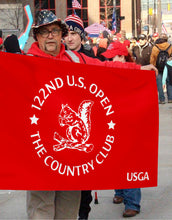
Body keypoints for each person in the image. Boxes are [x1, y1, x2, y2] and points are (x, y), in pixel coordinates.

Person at [26, 10, 157, 220]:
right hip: (41, 152)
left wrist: (137, 70)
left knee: (69, 209)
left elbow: (107, 69)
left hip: (71, 157)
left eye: (54, 31)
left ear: (61, 34)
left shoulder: (75, 59)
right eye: (44, 32)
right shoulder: (24, 63)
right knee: (41, 209)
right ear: (37, 37)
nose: (50, 36)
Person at [101, 41, 142, 218]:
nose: (111, 62)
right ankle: (120, 191)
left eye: (114, 57)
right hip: (112, 122)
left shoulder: (134, 74)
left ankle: (132, 202)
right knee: (115, 159)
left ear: (123, 57)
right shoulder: (110, 73)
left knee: (130, 161)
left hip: (129, 122)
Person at [64, 14, 94, 220]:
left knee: (84, 183)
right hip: (63, 127)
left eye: (74, 33)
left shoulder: (91, 60)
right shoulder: (55, 59)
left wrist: (139, 70)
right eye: (66, 34)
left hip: (86, 130)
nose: (69, 38)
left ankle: (83, 215)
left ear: (81, 36)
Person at [150, 33, 172, 104]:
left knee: (159, 83)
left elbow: (152, 58)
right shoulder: (170, 46)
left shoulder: (155, 47)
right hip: (168, 66)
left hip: (158, 67)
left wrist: (152, 66)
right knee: (169, 82)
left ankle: (162, 99)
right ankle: (170, 98)